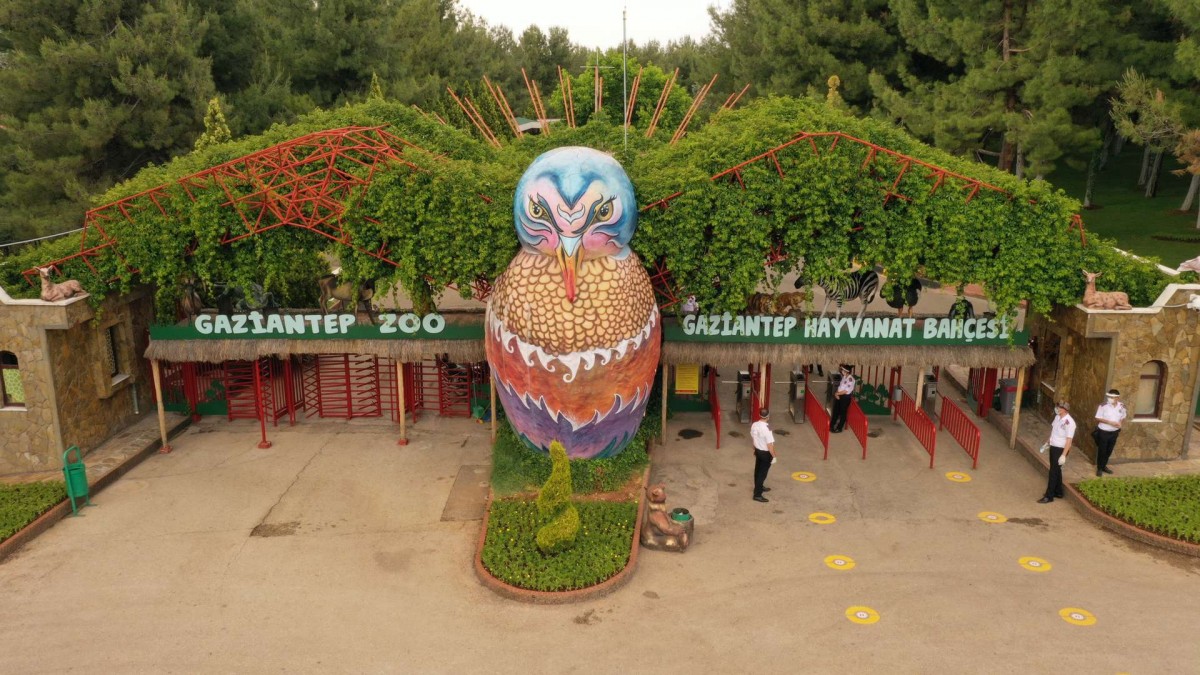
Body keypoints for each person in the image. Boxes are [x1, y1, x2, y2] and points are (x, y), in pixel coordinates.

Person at [1038, 401, 1076, 504]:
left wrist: (1064, 455)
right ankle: (1058, 491)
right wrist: (1047, 442)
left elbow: (1069, 440)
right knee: (1056, 469)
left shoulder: (1069, 422)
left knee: (1053, 472)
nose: (1057, 409)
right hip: (1054, 446)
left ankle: (1049, 496)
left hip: (1060, 449)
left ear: (1065, 410)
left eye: (1059, 407)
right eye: (1057, 407)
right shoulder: (1057, 417)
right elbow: (1053, 432)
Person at [1093, 389, 1126, 476]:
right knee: (1102, 450)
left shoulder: (1122, 406)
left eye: (1112, 397)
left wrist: (1120, 423)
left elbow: (1123, 416)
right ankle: (1099, 468)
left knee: (1109, 450)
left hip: (1114, 432)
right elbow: (1097, 418)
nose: (1110, 399)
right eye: (1109, 397)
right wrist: (1110, 422)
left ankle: (1104, 466)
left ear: (1117, 398)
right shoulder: (1103, 406)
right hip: (1104, 431)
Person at [751, 408, 776, 503]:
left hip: (758, 450)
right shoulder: (767, 428)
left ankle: (759, 487)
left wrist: (755, 448)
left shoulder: (754, 425)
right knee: (762, 473)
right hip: (765, 453)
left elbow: (754, 437)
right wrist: (774, 456)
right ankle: (757, 494)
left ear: (759, 415)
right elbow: (769, 444)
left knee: (757, 470)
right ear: (768, 416)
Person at [830, 364, 855, 433]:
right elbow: (840, 386)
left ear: (847, 371)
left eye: (843, 370)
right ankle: (831, 425)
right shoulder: (844, 377)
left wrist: (837, 394)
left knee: (842, 413)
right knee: (835, 411)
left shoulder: (851, 380)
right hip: (839, 395)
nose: (842, 371)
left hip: (845, 398)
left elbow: (846, 391)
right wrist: (837, 393)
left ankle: (839, 428)